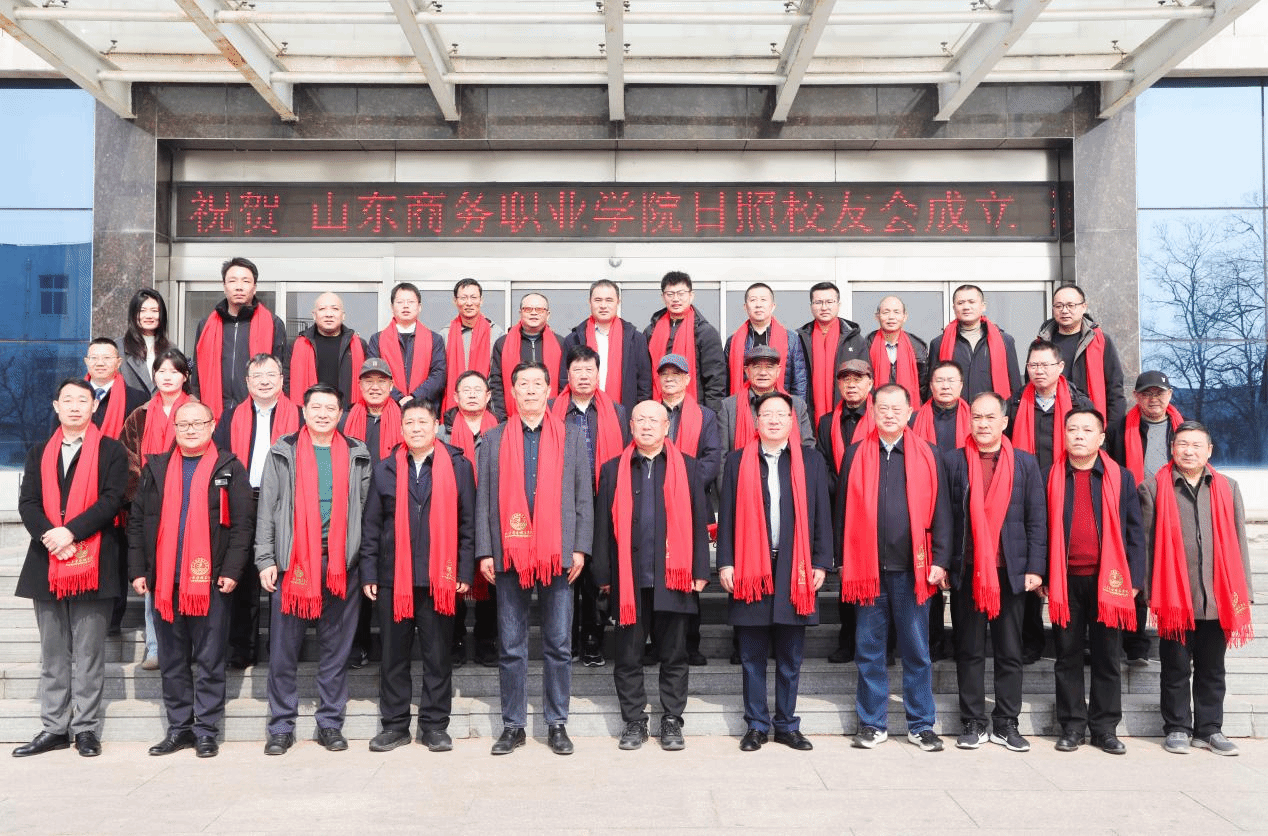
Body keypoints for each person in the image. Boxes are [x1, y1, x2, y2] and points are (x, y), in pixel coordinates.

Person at [474, 362, 593, 756]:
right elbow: (484, 499)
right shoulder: (493, 438)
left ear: (548, 390)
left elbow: (582, 496)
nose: (529, 390)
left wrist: (580, 547)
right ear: (512, 391)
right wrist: (485, 551)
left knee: (558, 643)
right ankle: (513, 725)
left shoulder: (570, 436)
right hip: (510, 553)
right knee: (511, 645)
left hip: (558, 553)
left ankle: (557, 722)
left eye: (536, 383)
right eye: (522, 384)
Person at [128, 400, 255, 759]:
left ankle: (207, 730)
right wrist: (137, 570)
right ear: (174, 428)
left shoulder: (229, 468)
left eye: (198, 423)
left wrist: (232, 571)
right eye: (183, 424)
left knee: (211, 660)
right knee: (172, 661)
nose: (190, 430)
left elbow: (243, 525)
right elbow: (137, 522)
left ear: (212, 426)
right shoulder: (156, 468)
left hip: (211, 582)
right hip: (165, 581)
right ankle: (179, 728)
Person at [255, 384, 373, 755]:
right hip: (293, 564)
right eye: (316, 407)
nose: (323, 414)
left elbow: (365, 511)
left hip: (340, 565)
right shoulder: (283, 451)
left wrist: (358, 557)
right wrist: (265, 559)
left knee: (336, 651)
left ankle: (330, 723)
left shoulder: (356, 453)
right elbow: (267, 508)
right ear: (304, 411)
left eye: (330, 408)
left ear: (340, 414)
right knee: (283, 652)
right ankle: (281, 726)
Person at [13, 379, 128, 758]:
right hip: (47, 562)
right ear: (56, 406)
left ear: (94, 407)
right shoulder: (38, 452)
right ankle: (54, 727)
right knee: (53, 653)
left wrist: (71, 532)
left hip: (94, 562)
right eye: (68, 400)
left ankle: (86, 728)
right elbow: (28, 502)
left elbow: (112, 500)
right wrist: (51, 536)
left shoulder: (111, 451)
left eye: (83, 400)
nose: (75, 406)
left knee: (89, 652)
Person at [839, 384, 952, 752]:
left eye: (896, 408)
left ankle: (921, 725)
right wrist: (842, 559)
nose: (889, 414)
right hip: (867, 571)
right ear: (873, 411)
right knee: (869, 651)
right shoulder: (857, 453)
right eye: (882, 408)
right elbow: (842, 509)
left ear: (909, 413)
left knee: (917, 651)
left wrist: (940, 559)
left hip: (913, 571)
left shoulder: (929, 453)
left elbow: (943, 512)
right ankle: (872, 723)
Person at [717, 392, 832, 752]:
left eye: (781, 414)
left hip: (794, 568)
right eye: (767, 414)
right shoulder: (738, 461)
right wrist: (726, 561)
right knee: (752, 657)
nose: (774, 420)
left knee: (790, 656)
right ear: (756, 420)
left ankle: (786, 724)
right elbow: (727, 515)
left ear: (792, 421)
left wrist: (821, 562)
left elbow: (822, 514)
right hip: (751, 568)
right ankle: (756, 725)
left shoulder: (810, 460)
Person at [593, 401, 711, 751]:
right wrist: (603, 574)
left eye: (653, 420)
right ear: (630, 426)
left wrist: (700, 569)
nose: (646, 425)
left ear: (666, 427)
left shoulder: (688, 467)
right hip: (628, 579)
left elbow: (699, 521)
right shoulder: (613, 469)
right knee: (628, 656)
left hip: (674, 578)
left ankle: (672, 719)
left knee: (674, 654)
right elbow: (602, 527)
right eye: (640, 419)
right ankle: (633, 721)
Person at [360, 400, 476, 753]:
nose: (415, 428)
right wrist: (369, 571)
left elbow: (468, 523)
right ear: (401, 429)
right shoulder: (385, 469)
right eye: (409, 422)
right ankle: (395, 726)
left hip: (439, 578)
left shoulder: (458, 466)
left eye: (422, 422)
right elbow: (371, 525)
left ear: (436, 425)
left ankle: (435, 726)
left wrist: (464, 570)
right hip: (393, 578)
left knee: (437, 657)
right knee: (393, 657)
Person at [1139, 421, 1254, 757]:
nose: (1189, 451)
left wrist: (1244, 589)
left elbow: (1239, 540)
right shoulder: (1153, 488)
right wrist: (1147, 591)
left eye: (1196, 445)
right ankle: (1177, 727)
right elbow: (1145, 545)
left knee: (1212, 668)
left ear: (1209, 451)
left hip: (1218, 596)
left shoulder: (1228, 487)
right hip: (1174, 596)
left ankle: (1210, 729)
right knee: (1175, 667)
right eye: (1182, 444)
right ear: (1172, 448)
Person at [945, 392, 1046, 752]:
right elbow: (945, 518)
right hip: (969, 570)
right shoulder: (954, 461)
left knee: (1009, 650)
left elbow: (1037, 519)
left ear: (1004, 422)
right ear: (969, 420)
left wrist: (1036, 567)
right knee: (969, 649)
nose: (983, 424)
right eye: (977, 417)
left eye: (990, 417)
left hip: (1010, 572)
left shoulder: (1025, 464)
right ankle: (973, 720)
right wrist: (944, 562)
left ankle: (1006, 722)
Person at [1043, 408, 1146, 755]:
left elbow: (1135, 532)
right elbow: (1040, 528)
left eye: (1087, 430)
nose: (1079, 435)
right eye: (1072, 429)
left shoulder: (1120, 477)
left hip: (1109, 581)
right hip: (1065, 581)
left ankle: (1104, 729)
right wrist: (1043, 573)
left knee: (1107, 656)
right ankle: (1072, 726)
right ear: (1064, 434)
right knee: (1067, 656)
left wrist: (1134, 579)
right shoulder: (1051, 476)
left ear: (1101, 438)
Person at [211, 353, 302, 670]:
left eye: (271, 374)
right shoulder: (229, 417)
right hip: (243, 498)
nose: (264, 381)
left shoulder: (299, 416)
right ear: (247, 382)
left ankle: (282, 648)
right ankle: (242, 649)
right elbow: (219, 458)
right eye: (257, 376)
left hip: (286, 501)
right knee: (244, 574)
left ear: (282, 380)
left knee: (285, 572)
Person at [1008, 339, 1093, 664]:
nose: (1039, 371)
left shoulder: (1080, 403)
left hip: (1068, 490)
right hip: (1026, 492)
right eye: (1033, 365)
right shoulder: (1016, 403)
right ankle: (1031, 641)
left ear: (1060, 367)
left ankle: (1073, 640)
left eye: (1045, 365)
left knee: (1069, 565)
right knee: (1031, 566)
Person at [551, 345, 630, 667]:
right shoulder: (552, 410)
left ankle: (592, 640)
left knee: (597, 574)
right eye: (577, 370)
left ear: (598, 374)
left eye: (589, 370)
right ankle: (566, 640)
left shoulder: (617, 412)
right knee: (566, 571)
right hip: (563, 501)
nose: (584, 376)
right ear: (567, 375)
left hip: (602, 500)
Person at [119, 348, 195, 670]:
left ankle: (188, 646)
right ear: (154, 376)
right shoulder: (139, 416)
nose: (167, 377)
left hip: (189, 507)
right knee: (154, 577)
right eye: (161, 371)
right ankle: (155, 647)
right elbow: (128, 461)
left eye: (174, 371)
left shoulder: (196, 411)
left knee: (188, 575)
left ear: (185, 376)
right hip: (149, 508)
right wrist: (144, 497)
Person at [1108, 370, 1184, 665]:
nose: (1154, 399)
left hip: (1174, 510)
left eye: (1159, 393)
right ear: (1136, 397)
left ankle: (1178, 643)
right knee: (1135, 576)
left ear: (1170, 395)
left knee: (1174, 577)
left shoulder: (1184, 430)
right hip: (1133, 509)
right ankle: (1135, 645)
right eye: (1147, 394)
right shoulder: (1118, 430)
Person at [652, 353, 721, 667]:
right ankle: (657, 643)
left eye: (676, 374)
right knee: (655, 577)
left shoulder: (705, 416)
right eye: (664, 374)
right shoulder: (648, 411)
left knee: (691, 577)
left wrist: (681, 486)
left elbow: (711, 459)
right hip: (654, 505)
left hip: (692, 506)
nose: (670, 378)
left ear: (688, 379)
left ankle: (691, 644)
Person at [339, 358, 405, 667]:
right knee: (356, 576)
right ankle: (358, 643)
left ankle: (394, 645)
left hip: (392, 509)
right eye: (368, 381)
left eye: (381, 381)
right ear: (359, 385)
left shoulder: (406, 418)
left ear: (392, 385)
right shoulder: (344, 421)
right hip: (353, 509)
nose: (375, 387)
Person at [81, 337, 148, 638]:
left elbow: (140, 446)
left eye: (107, 357)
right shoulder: (74, 395)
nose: (100, 362)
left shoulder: (136, 398)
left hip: (120, 493)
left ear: (118, 362)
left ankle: (112, 620)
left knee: (116, 558)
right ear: (86, 361)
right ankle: (82, 616)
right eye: (94, 357)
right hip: (81, 492)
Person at [815, 358, 875, 666]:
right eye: (845, 379)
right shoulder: (827, 422)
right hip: (838, 506)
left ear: (870, 383)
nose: (851, 384)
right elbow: (823, 462)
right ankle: (847, 640)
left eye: (858, 378)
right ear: (838, 384)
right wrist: (842, 487)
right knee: (846, 574)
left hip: (874, 507)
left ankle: (880, 643)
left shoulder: (881, 416)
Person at [441, 370, 500, 668]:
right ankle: (455, 639)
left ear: (488, 396)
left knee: (492, 578)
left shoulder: (501, 432)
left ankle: (487, 640)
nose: (473, 394)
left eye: (479, 389)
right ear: (455, 397)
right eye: (467, 389)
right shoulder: (441, 433)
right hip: (452, 515)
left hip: (492, 514)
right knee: (454, 576)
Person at [191, 256, 288, 421]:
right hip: (215, 411)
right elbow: (197, 374)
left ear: (254, 288)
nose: (239, 287)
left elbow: (282, 372)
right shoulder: (206, 325)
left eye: (246, 281)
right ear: (224, 287)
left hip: (258, 412)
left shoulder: (273, 323)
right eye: (232, 281)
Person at [1036, 284, 1127, 428]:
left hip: (1090, 423)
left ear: (1084, 307)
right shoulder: (1042, 343)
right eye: (1059, 306)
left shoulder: (1100, 341)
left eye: (1070, 305)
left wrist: (1111, 430)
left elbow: (1115, 390)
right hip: (1050, 422)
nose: (1064, 310)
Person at [560, 279, 652, 408]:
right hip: (583, 412)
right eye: (598, 300)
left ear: (618, 302)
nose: (603, 305)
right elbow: (564, 381)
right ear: (590, 302)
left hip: (625, 413)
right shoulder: (574, 340)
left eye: (609, 300)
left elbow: (645, 384)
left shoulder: (636, 339)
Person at [645, 271, 727, 412]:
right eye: (670, 294)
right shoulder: (650, 332)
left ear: (691, 295)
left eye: (681, 293)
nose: (676, 299)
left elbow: (715, 382)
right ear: (663, 297)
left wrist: (711, 416)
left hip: (696, 409)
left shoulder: (705, 332)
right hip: (657, 409)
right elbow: (644, 378)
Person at [927, 284, 1021, 401]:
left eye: (972, 302)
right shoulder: (939, 343)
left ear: (983, 306)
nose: (966, 307)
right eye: (960, 303)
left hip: (992, 410)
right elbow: (932, 387)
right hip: (953, 410)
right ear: (954, 308)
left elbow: (1015, 385)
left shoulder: (1005, 341)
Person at [718, 345, 813, 453]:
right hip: (740, 463)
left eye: (769, 367)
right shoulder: (729, 407)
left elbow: (808, 449)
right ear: (747, 371)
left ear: (778, 370)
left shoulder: (796, 405)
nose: (763, 373)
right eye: (757, 367)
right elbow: (722, 454)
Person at [366, 281, 446, 408]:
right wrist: (399, 398)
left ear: (419, 307)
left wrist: (415, 397)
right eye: (400, 302)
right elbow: (374, 374)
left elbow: (439, 375)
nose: (405, 306)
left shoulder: (435, 339)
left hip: (425, 407)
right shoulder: (377, 339)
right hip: (388, 407)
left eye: (411, 302)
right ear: (392, 307)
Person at [797, 281, 866, 423]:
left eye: (829, 302)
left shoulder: (855, 339)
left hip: (847, 413)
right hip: (808, 413)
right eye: (818, 302)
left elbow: (865, 380)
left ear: (838, 305)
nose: (824, 307)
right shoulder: (800, 338)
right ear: (811, 306)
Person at [725, 282, 808, 401]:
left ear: (772, 306)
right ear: (745, 307)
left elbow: (799, 381)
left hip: (780, 405)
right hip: (744, 404)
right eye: (753, 300)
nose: (758, 305)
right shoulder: (733, 341)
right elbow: (725, 381)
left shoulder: (791, 339)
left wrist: (796, 408)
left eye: (763, 300)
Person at [488, 293, 564, 420]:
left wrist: (559, 419)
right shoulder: (503, 343)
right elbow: (496, 384)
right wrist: (502, 420)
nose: (533, 313)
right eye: (528, 309)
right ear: (520, 313)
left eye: (539, 309)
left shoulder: (560, 343)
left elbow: (564, 386)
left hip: (553, 419)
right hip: (511, 419)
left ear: (548, 314)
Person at [289, 292, 368, 402]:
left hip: (348, 410)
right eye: (322, 309)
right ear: (314, 315)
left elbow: (368, 380)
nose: (329, 314)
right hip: (310, 409)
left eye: (335, 309)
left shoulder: (359, 345)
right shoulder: (297, 345)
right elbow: (286, 381)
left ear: (343, 315)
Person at [441, 278, 502, 415]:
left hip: (488, 409)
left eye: (473, 297)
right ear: (455, 301)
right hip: (453, 407)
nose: (469, 303)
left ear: (481, 300)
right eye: (463, 298)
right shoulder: (445, 334)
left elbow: (498, 378)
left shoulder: (496, 333)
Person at [867, 295, 929, 407]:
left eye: (896, 312)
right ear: (877, 316)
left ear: (905, 316)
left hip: (909, 409)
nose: (891, 317)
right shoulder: (866, 346)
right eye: (886, 312)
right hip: (875, 409)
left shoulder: (918, 347)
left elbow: (923, 387)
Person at [119, 288, 171, 395]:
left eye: (154, 311)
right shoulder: (118, 347)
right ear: (133, 314)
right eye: (142, 311)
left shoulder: (171, 348)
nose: (149, 316)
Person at [910, 360, 970, 453]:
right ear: (931, 386)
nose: (945, 386)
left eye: (951, 381)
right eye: (939, 381)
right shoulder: (913, 420)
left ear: (961, 385)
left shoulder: (973, 418)